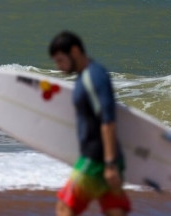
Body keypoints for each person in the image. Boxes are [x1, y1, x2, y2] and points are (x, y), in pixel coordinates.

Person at [49, 31, 131, 216]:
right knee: (115, 211)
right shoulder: (86, 76)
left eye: (61, 60)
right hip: (106, 159)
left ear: (75, 51)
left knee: (64, 208)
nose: (59, 66)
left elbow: (107, 119)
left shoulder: (93, 76)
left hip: (95, 160)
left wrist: (109, 165)